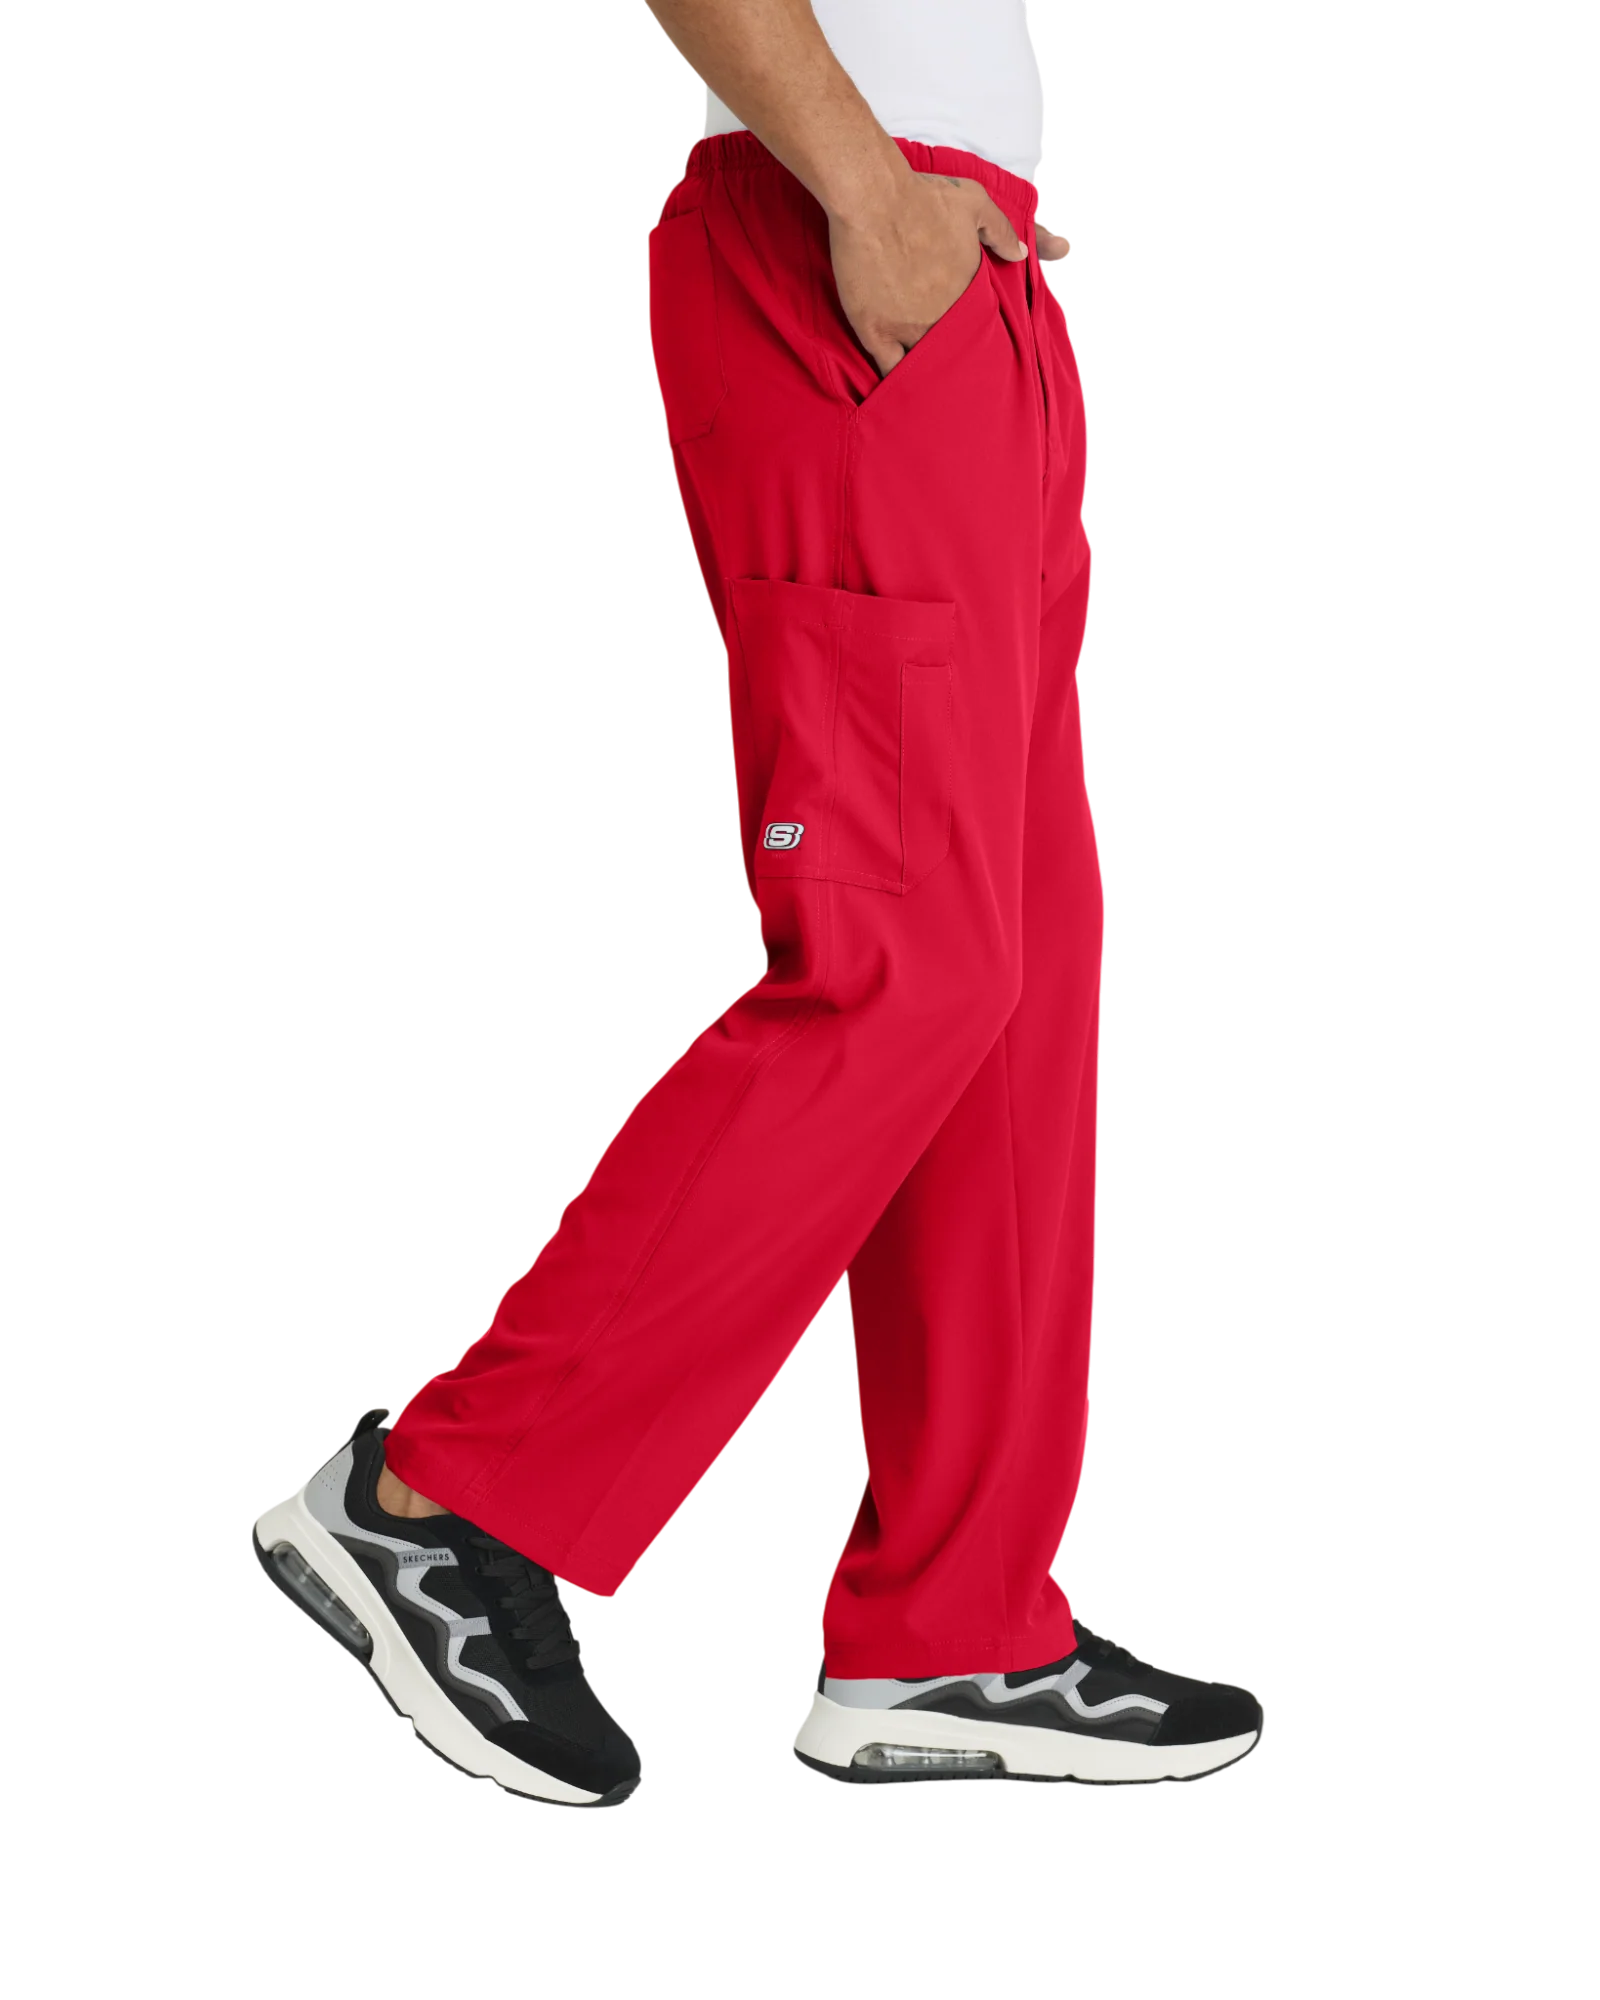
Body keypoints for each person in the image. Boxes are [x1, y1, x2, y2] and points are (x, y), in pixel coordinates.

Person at [251, 0, 1262, 1806]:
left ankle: (958, 1624)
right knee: (905, 963)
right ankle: (438, 1500)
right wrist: (871, 196)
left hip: (964, 275)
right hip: (841, 243)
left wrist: (948, 220)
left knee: (1021, 988)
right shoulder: (853, 214)